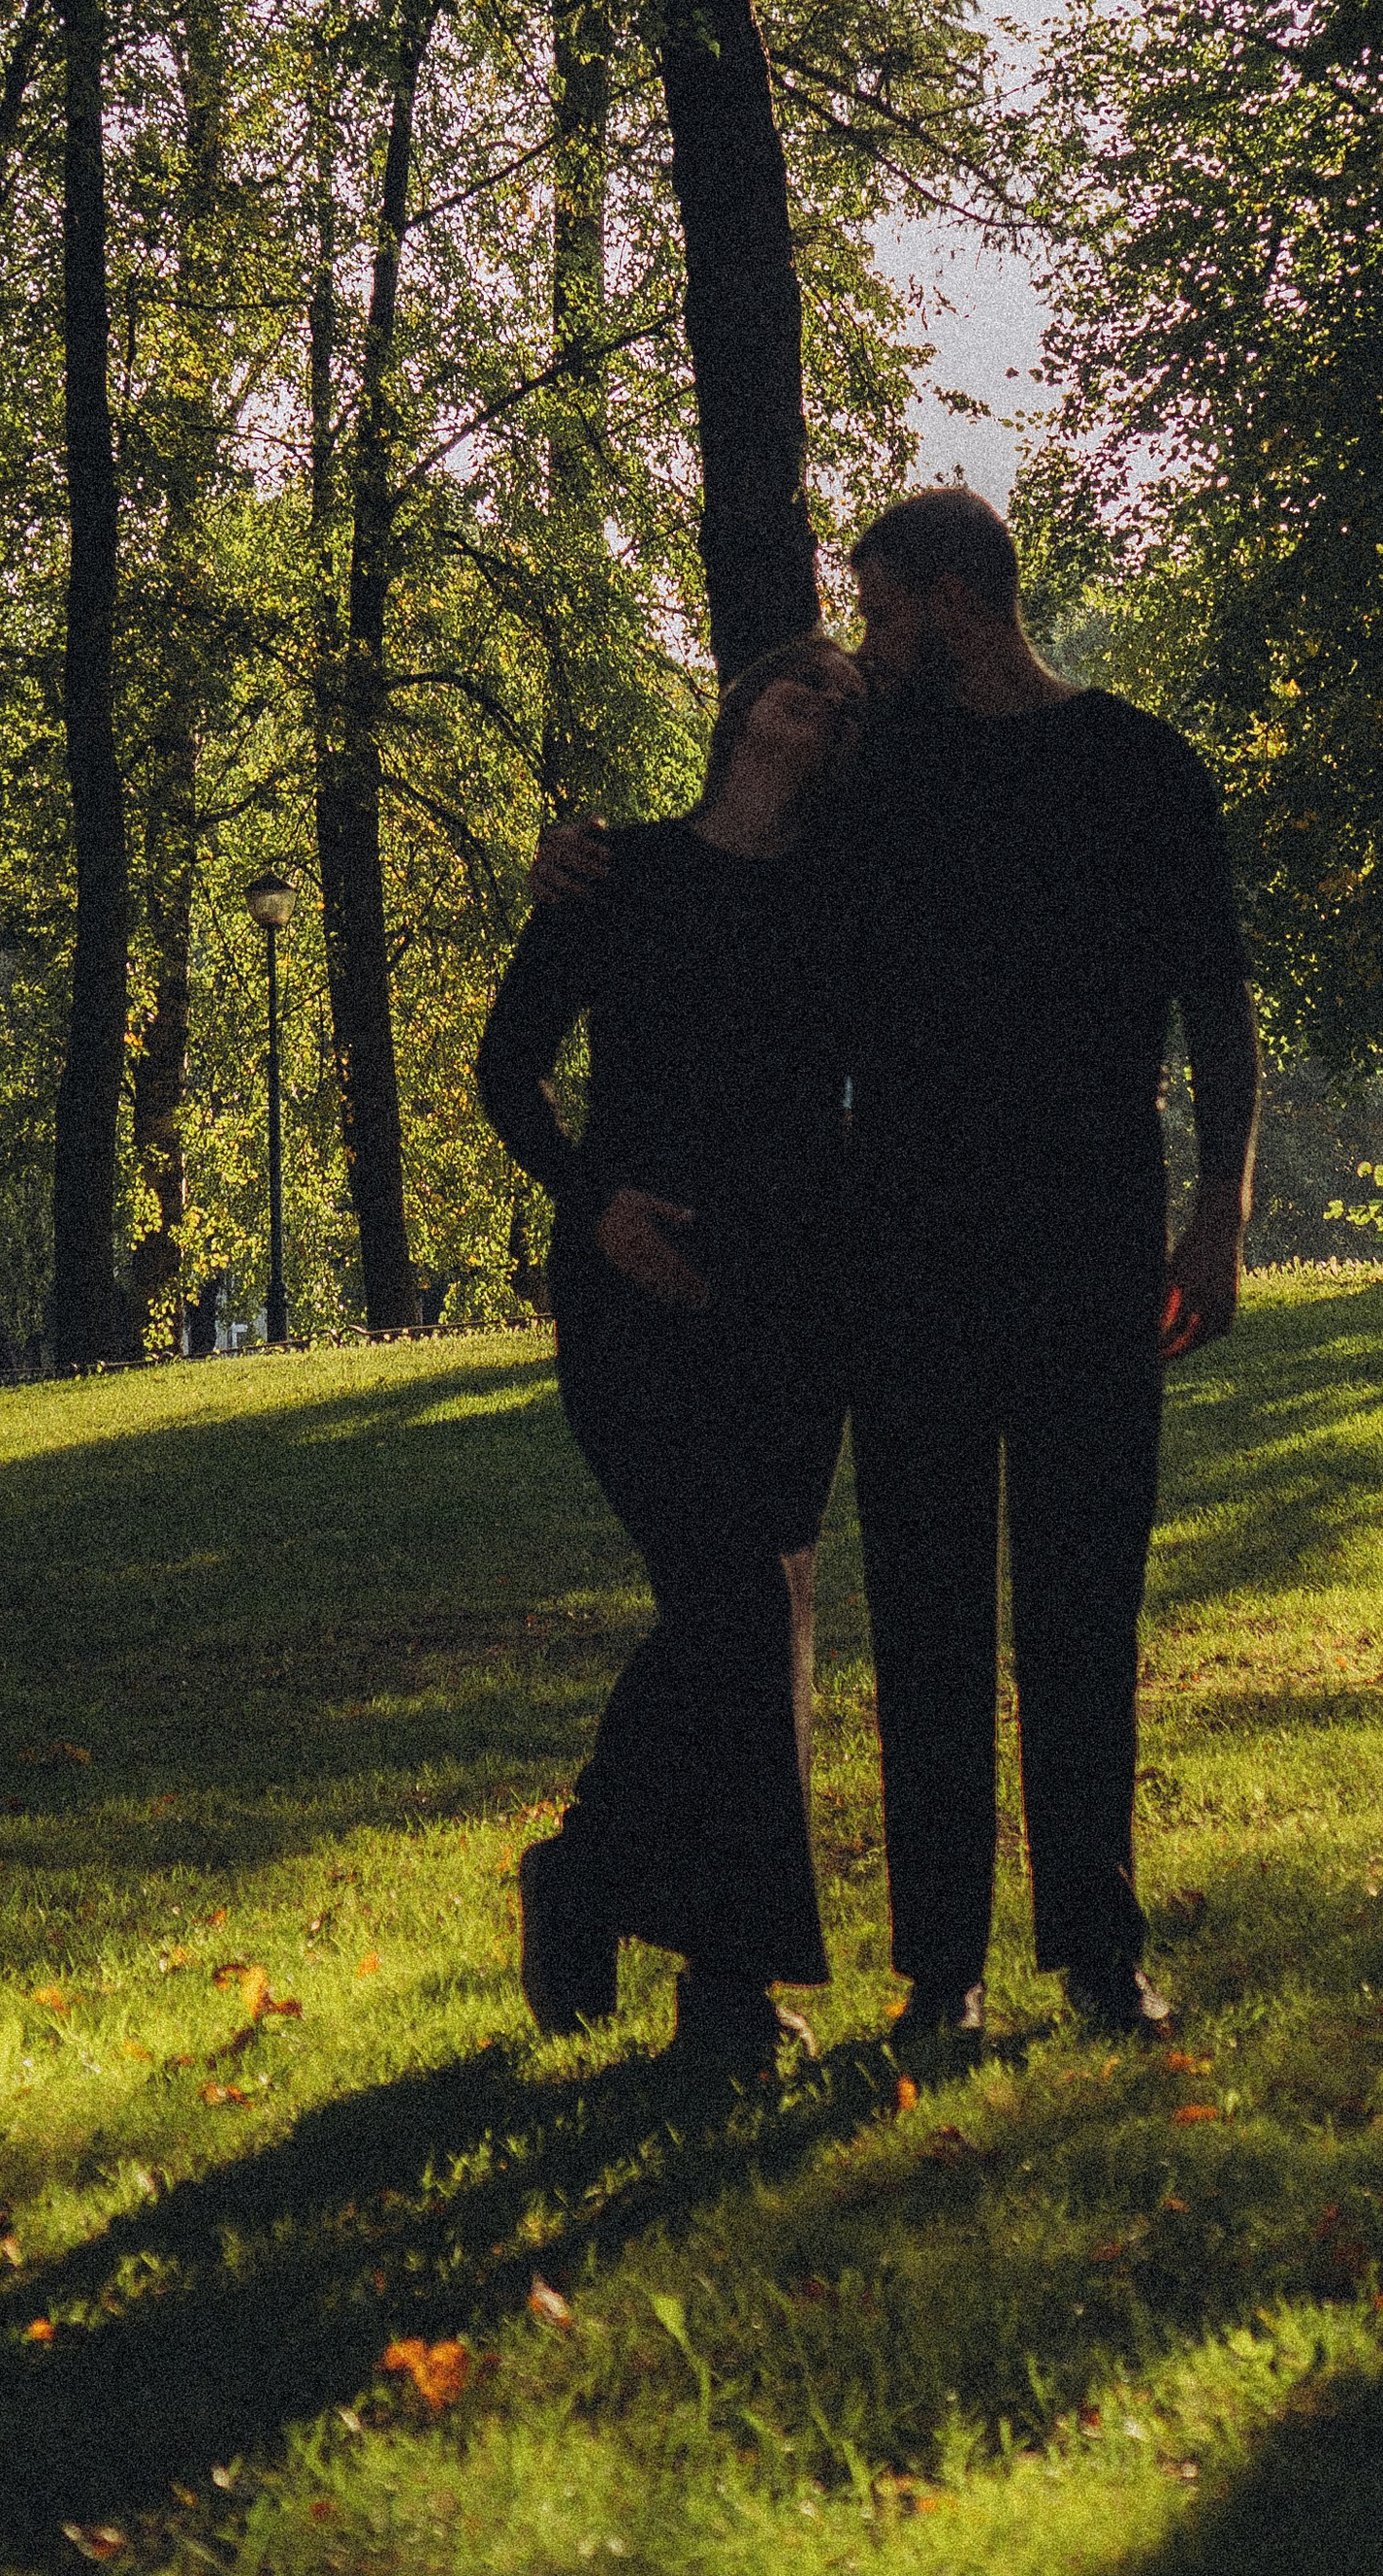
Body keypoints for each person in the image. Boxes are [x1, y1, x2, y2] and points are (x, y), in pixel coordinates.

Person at [537, 488, 1259, 2049]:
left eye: (877, 612)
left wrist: (1221, 1211)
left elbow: (1218, 994)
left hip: (1091, 1238)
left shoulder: (1136, 765)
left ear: (951, 597)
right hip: (906, 1249)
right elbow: (736, 858)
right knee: (930, 1615)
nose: (863, 647)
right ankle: (943, 1975)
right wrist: (586, 865)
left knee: (1083, 1600)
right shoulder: (879, 777)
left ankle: (1100, 1949)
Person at [476, 631, 866, 2076]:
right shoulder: (617, 872)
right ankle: (695, 1963)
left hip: (793, 1296)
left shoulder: (848, 896)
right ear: (742, 705)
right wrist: (597, 1207)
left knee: (748, 1621)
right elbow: (507, 1067)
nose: (825, 699)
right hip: (633, 1288)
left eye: (850, 699)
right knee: (737, 1611)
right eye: (803, 678)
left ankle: (651, 1926)